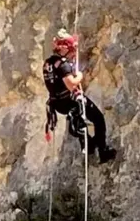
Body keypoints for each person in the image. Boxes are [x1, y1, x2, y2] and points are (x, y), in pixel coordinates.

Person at [43, 29, 117, 163]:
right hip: (70, 100)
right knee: (98, 118)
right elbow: (71, 84)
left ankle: (89, 143)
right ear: (64, 50)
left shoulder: (48, 63)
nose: (72, 55)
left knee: (78, 121)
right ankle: (102, 150)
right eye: (71, 51)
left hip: (57, 103)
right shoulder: (63, 65)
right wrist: (80, 77)